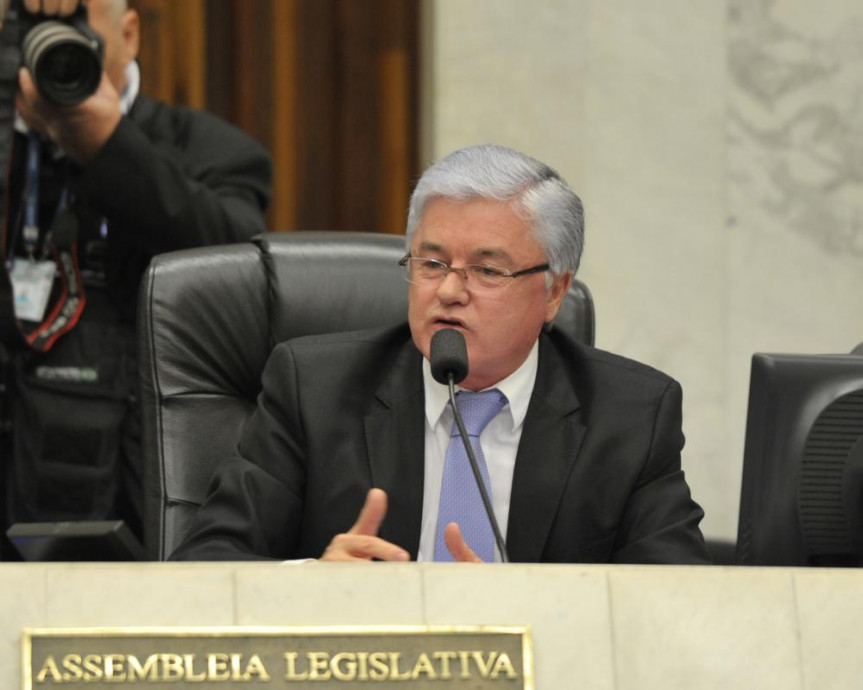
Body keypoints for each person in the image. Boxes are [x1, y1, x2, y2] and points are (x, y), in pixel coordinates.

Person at [171, 144, 710, 565]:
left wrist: (533, 611)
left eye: (487, 270)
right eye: (432, 264)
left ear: (553, 292)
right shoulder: (313, 389)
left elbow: (673, 603)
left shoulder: (631, 414)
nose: (450, 291)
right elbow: (205, 566)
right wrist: (314, 583)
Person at [0, 0, 272, 556]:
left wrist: (107, 144)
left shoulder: (210, 150)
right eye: (25, 26)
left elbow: (235, 266)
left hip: (127, 492)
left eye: (75, 22)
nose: (46, 41)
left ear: (129, 33)